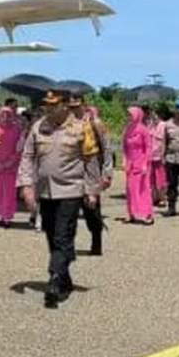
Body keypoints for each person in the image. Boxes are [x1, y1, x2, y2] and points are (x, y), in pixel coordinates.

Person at [19, 89, 102, 308]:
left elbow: (91, 161)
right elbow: (27, 157)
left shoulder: (81, 127)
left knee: (63, 236)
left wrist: (92, 190)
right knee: (51, 234)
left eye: (53, 104)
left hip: (70, 191)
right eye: (46, 104)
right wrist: (26, 185)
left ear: (65, 106)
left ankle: (54, 280)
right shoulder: (39, 126)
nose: (48, 108)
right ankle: (64, 276)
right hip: (45, 191)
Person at [69, 94, 111, 255]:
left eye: (76, 106)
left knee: (91, 212)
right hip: (71, 173)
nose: (74, 109)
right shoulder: (67, 124)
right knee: (68, 213)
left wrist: (107, 173)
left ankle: (96, 242)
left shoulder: (95, 124)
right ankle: (67, 246)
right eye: (71, 107)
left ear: (84, 105)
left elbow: (106, 149)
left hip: (91, 172)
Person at [0, 106, 23, 227]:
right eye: (3, 114)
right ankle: (1, 214)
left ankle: (7, 217)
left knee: (9, 192)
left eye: (8, 115)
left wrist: (11, 161)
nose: (5, 117)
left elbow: (20, 149)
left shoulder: (17, 130)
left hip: (11, 167)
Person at [123, 105, 154, 224]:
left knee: (142, 188)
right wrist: (124, 160)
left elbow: (148, 147)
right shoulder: (128, 129)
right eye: (128, 115)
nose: (129, 117)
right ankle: (131, 213)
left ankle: (147, 214)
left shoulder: (143, 129)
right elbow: (124, 146)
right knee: (130, 189)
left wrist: (146, 163)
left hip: (141, 162)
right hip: (130, 162)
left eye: (131, 114)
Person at [149, 106, 169, 207]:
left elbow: (165, 141)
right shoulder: (150, 126)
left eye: (155, 114)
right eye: (152, 114)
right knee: (151, 179)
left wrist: (164, 154)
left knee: (161, 178)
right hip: (150, 157)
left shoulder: (164, 126)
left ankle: (162, 198)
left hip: (159, 157)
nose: (154, 116)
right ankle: (154, 197)